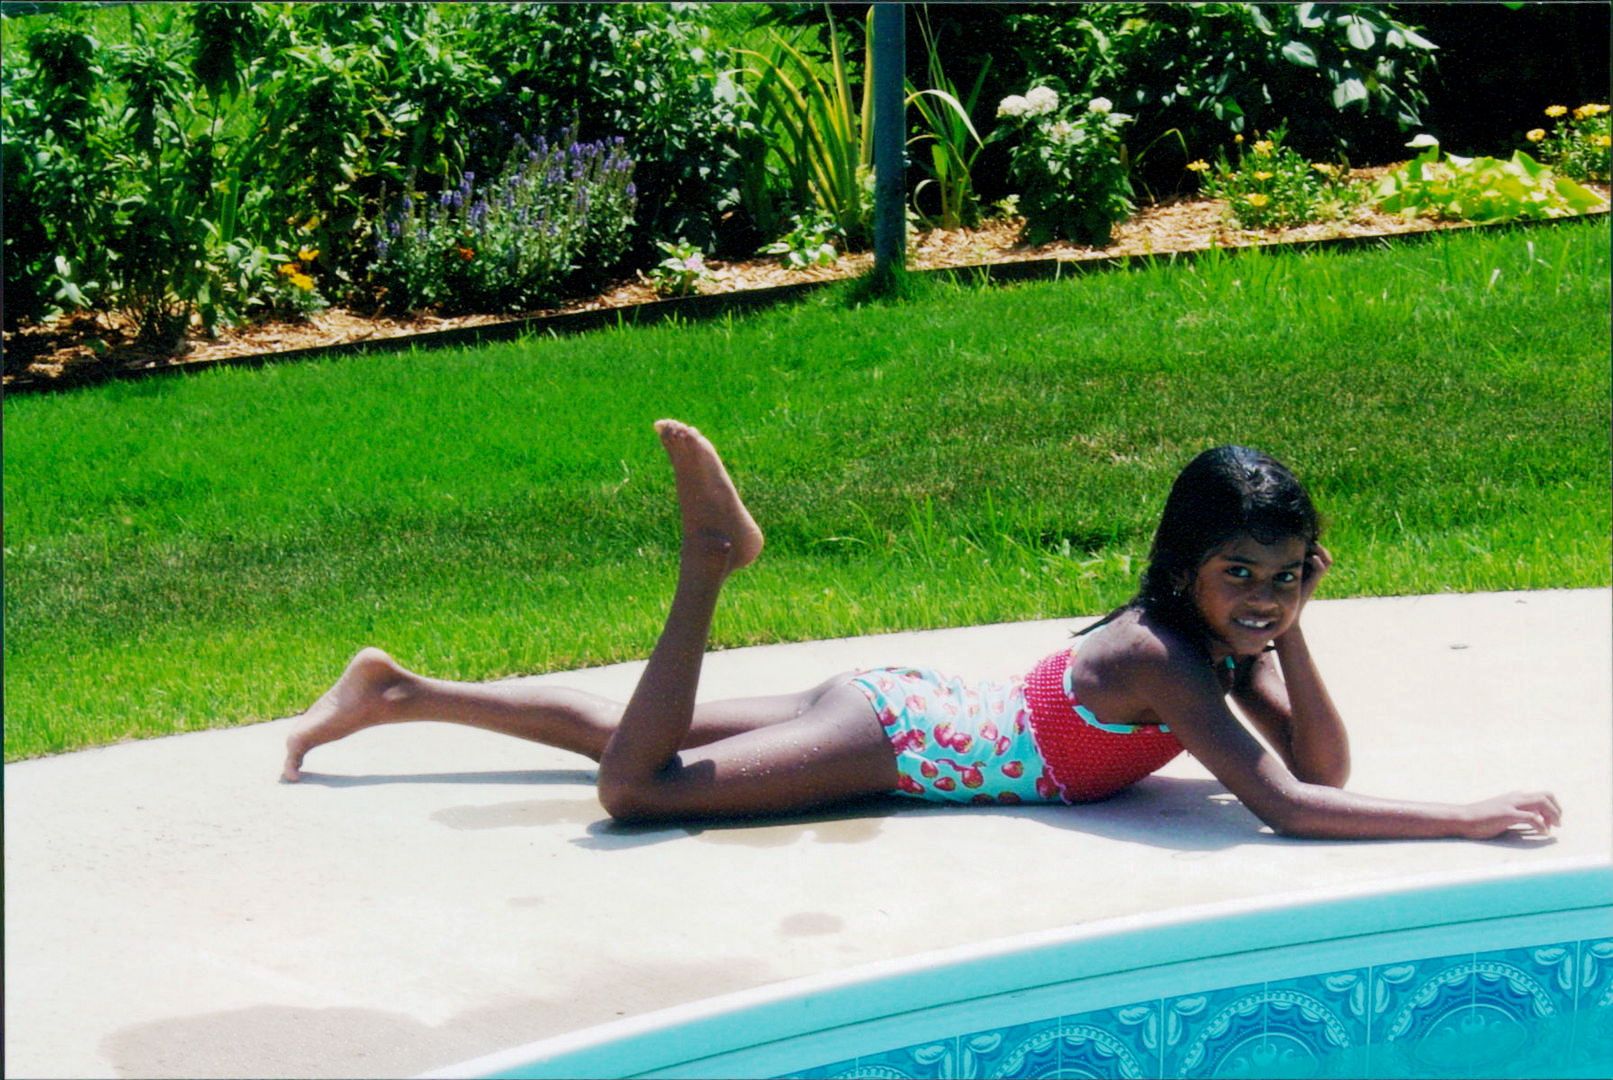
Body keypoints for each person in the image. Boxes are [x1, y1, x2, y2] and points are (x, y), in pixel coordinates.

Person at [280, 420, 1561, 841]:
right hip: (903, 739)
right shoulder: (1159, 657)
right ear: (1184, 567)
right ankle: (709, 560)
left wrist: (1290, 626)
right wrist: (1457, 818)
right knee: (638, 786)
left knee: (627, 734)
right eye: (1241, 574)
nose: (1264, 596)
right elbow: (1284, 802)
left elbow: (1316, 763)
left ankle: (398, 690)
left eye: (1284, 575)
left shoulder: (1216, 640)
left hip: (913, 703)